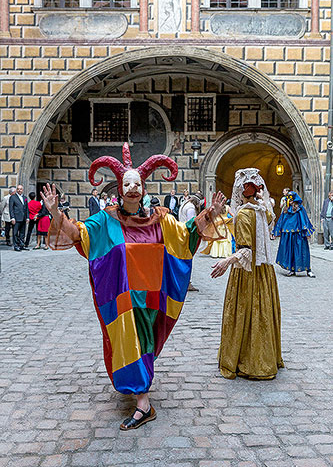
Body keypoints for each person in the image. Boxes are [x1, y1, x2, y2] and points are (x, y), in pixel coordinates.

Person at [43, 143, 225, 431]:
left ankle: (143, 400)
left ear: (143, 188)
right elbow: (78, 235)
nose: (131, 188)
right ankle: (143, 399)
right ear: (119, 187)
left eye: (136, 183)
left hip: (152, 297)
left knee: (145, 345)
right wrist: (56, 214)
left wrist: (210, 214)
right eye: (126, 183)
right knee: (131, 343)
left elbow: (187, 235)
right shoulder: (104, 221)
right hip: (123, 299)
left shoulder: (161, 219)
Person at [212, 168, 284, 380]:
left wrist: (226, 261)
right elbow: (272, 215)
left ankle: (245, 359)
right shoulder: (262, 209)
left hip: (247, 273)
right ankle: (266, 358)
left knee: (244, 313)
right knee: (263, 314)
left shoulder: (243, 214)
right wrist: (261, 197)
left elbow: (245, 250)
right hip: (265, 272)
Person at [273, 191, 315, 277]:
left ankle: (308, 270)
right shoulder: (286, 209)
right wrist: (277, 230)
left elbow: (304, 219)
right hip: (288, 234)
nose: (289, 200)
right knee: (290, 251)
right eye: (288, 198)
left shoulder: (300, 208)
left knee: (302, 251)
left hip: (298, 233)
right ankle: (292, 269)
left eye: (291, 198)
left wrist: (307, 231)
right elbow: (282, 220)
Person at [9, 185, 29, 252]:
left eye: (20, 189)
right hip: (16, 218)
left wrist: (28, 217)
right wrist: (12, 217)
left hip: (23, 218)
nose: (19, 190)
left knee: (22, 233)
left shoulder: (25, 197)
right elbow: (11, 208)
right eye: (18, 189)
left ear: (22, 190)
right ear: (16, 190)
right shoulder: (13, 197)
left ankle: (21, 245)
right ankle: (16, 246)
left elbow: (26, 208)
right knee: (15, 233)